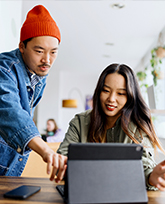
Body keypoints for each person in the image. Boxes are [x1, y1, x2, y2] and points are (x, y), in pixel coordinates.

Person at [57, 63, 165, 191]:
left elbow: (143, 166)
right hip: (84, 191)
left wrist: (151, 178)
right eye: (106, 91)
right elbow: (63, 159)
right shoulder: (79, 122)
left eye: (120, 93)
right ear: (98, 91)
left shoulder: (138, 125)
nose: (111, 99)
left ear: (130, 97)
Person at [0, 5, 67, 182]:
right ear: (22, 46)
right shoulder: (4, 69)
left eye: (53, 52)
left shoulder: (37, 74)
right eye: (39, 51)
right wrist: (45, 150)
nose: (47, 60)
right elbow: (11, 113)